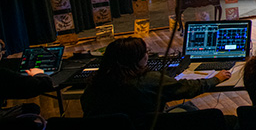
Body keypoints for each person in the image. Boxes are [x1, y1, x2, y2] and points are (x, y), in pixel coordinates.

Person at [81, 37, 230, 117]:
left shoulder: (95, 83)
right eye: (145, 53)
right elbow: (187, 88)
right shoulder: (147, 80)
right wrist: (216, 78)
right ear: (137, 59)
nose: (147, 56)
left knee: (187, 107)